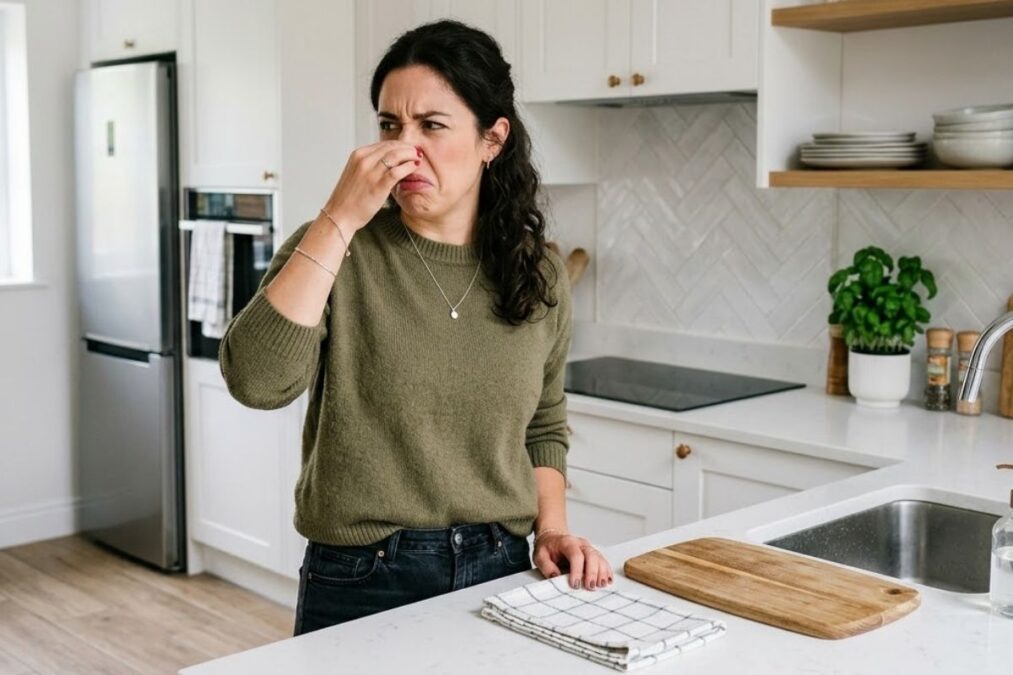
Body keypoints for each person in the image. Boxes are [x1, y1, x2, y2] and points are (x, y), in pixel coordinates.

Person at [219, 19, 613, 636]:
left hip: (502, 567)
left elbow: (543, 421)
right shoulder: (337, 249)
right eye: (388, 125)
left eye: (431, 125)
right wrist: (338, 216)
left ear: (492, 139)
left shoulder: (537, 272)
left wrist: (552, 530)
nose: (403, 149)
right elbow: (256, 382)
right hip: (362, 577)